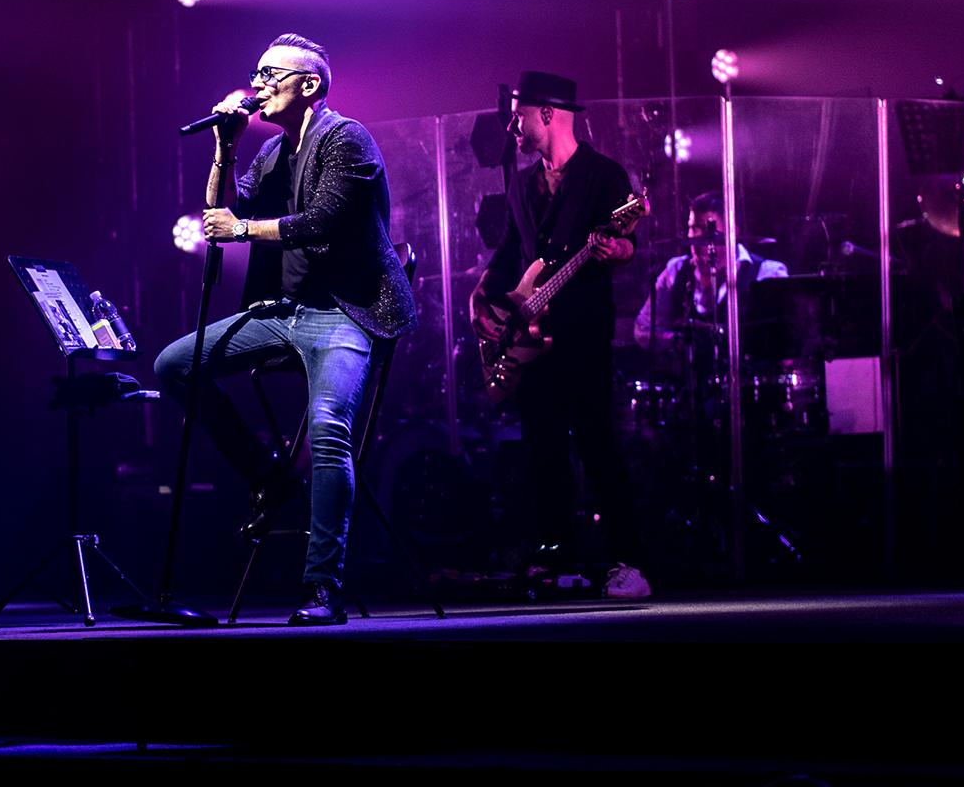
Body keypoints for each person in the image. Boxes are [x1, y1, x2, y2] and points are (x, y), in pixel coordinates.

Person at [153, 34, 416, 625]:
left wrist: (244, 231)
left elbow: (323, 222)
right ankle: (269, 477)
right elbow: (223, 213)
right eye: (257, 73)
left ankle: (322, 587)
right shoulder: (272, 151)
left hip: (346, 312)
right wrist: (225, 147)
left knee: (327, 429)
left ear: (310, 85)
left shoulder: (347, 138)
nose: (258, 84)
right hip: (284, 311)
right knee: (174, 365)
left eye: (271, 75)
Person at [468, 71, 650, 599]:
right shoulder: (523, 184)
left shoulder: (604, 176)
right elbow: (512, 249)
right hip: (531, 338)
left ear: (546, 114)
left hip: (584, 335)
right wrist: (484, 291)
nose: (511, 127)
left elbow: (628, 244)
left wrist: (619, 249)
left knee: (596, 444)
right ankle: (557, 560)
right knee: (543, 451)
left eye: (518, 117)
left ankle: (629, 562)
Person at [634, 191, 790, 349]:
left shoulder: (767, 273)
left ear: (732, 232)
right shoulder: (676, 270)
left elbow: (785, 334)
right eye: (693, 228)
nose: (697, 238)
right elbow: (643, 328)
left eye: (706, 229)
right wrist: (678, 340)